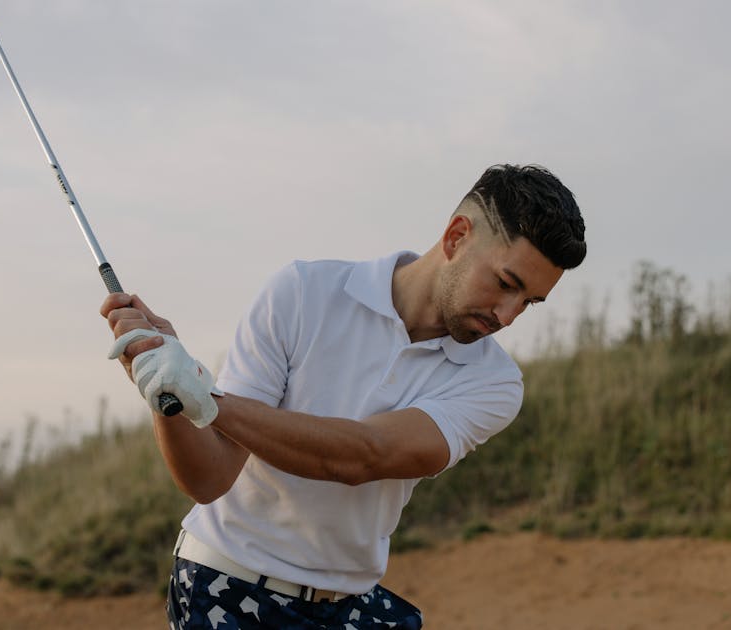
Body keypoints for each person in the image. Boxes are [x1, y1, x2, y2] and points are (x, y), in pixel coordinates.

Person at [101, 164, 586, 629]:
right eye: (505, 284)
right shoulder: (303, 292)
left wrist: (202, 394)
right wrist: (165, 386)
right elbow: (208, 480)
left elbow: (363, 456)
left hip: (348, 605)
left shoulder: (495, 381)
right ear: (457, 236)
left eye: (529, 302)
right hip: (226, 583)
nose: (508, 316)